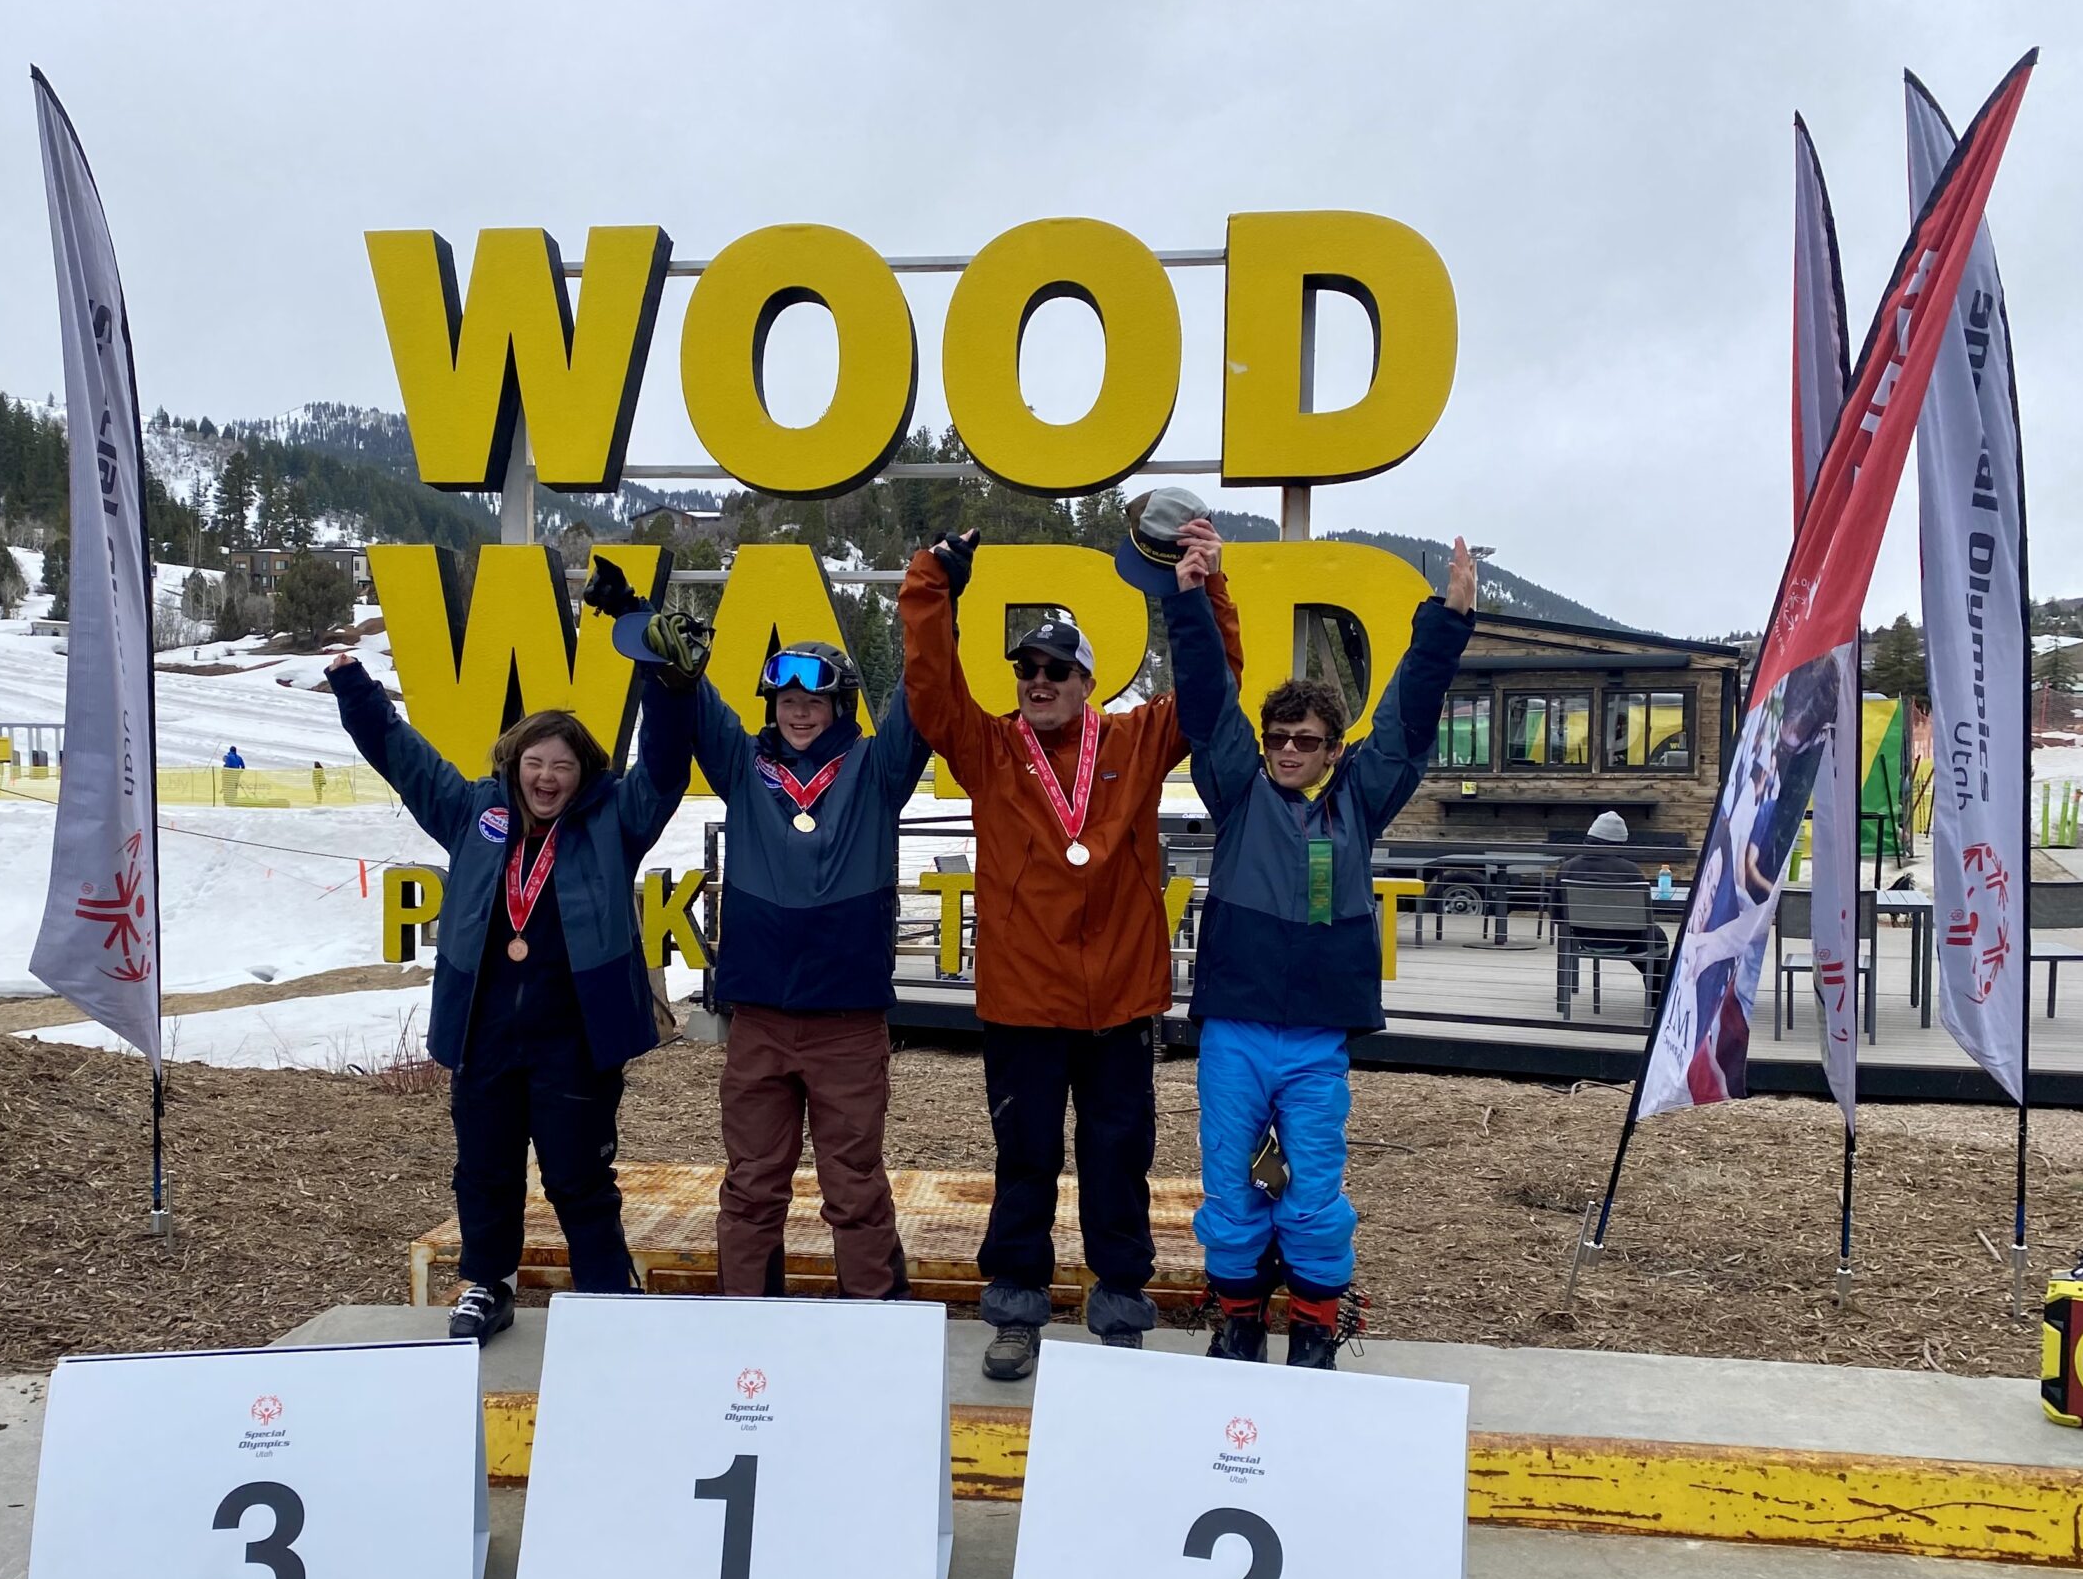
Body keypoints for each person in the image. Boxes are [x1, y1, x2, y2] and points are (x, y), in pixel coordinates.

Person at [895, 495, 1242, 1380]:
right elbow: (930, 689)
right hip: (1023, 1006)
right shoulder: (988, 750)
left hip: (1121, 1001)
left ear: (1090, 681)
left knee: (1119, 1159)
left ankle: (1121, 1306)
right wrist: (933, 582)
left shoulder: (1137, 738)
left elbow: (1216, 686)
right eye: (1027, 671)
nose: (1038, 682)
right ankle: (1016, 1308)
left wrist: (1205, 589)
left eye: (1056, 669)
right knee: (1025, 1161)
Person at [326, 616, 702, 1342]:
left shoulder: (614, 819)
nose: (547, 777)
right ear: (514, 763)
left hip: (576, 1038)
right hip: (486, 1031)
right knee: (485, 1170)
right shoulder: (473, 812)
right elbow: (403, 756)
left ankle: (604, 1292)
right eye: (535, 762)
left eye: (562, 765)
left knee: (578, 1177)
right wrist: (353, 685)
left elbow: (663, 768)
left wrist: (669, 683)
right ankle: (485, 1285)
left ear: (583, 772)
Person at [1166, 530, 1477, 1367]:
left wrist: (1447, 623)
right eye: (1279, 739)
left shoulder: (1360, 803)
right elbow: (1203, 701)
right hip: (1235, 1029)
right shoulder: (1235, 791)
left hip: (1315, 1043)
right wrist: (1188, 601)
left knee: (1311, 1193)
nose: (1291, 751)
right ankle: (1235, 1320)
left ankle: (1311, 1327)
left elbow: (1409, 722)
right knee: (1232, 1184)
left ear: (1335, 750)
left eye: (1308, 740)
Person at [622, 547, 932, 1301]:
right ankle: (746, 1326)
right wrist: (640, 613)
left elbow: (925, 696)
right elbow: (684, 685)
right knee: (753, 1182)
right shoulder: (741, 766)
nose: (798, 712)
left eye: (815, 702)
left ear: (840, 708)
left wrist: (938, 597)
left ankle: (875, 1321)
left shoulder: (875, 771)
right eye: (786, 701)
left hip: (847, 1024)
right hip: (758, 1018)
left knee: (852, 1185)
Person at [1556, 809, 1668, 1011]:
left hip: (1585, 939)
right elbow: (1644, 917)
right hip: (1626, 940)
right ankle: (1657, 1000)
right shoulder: (1630, 871)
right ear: (1620, 843)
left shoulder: (1567, 868)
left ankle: (1564, 1002)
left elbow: (1556, 914)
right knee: (1657, 937)